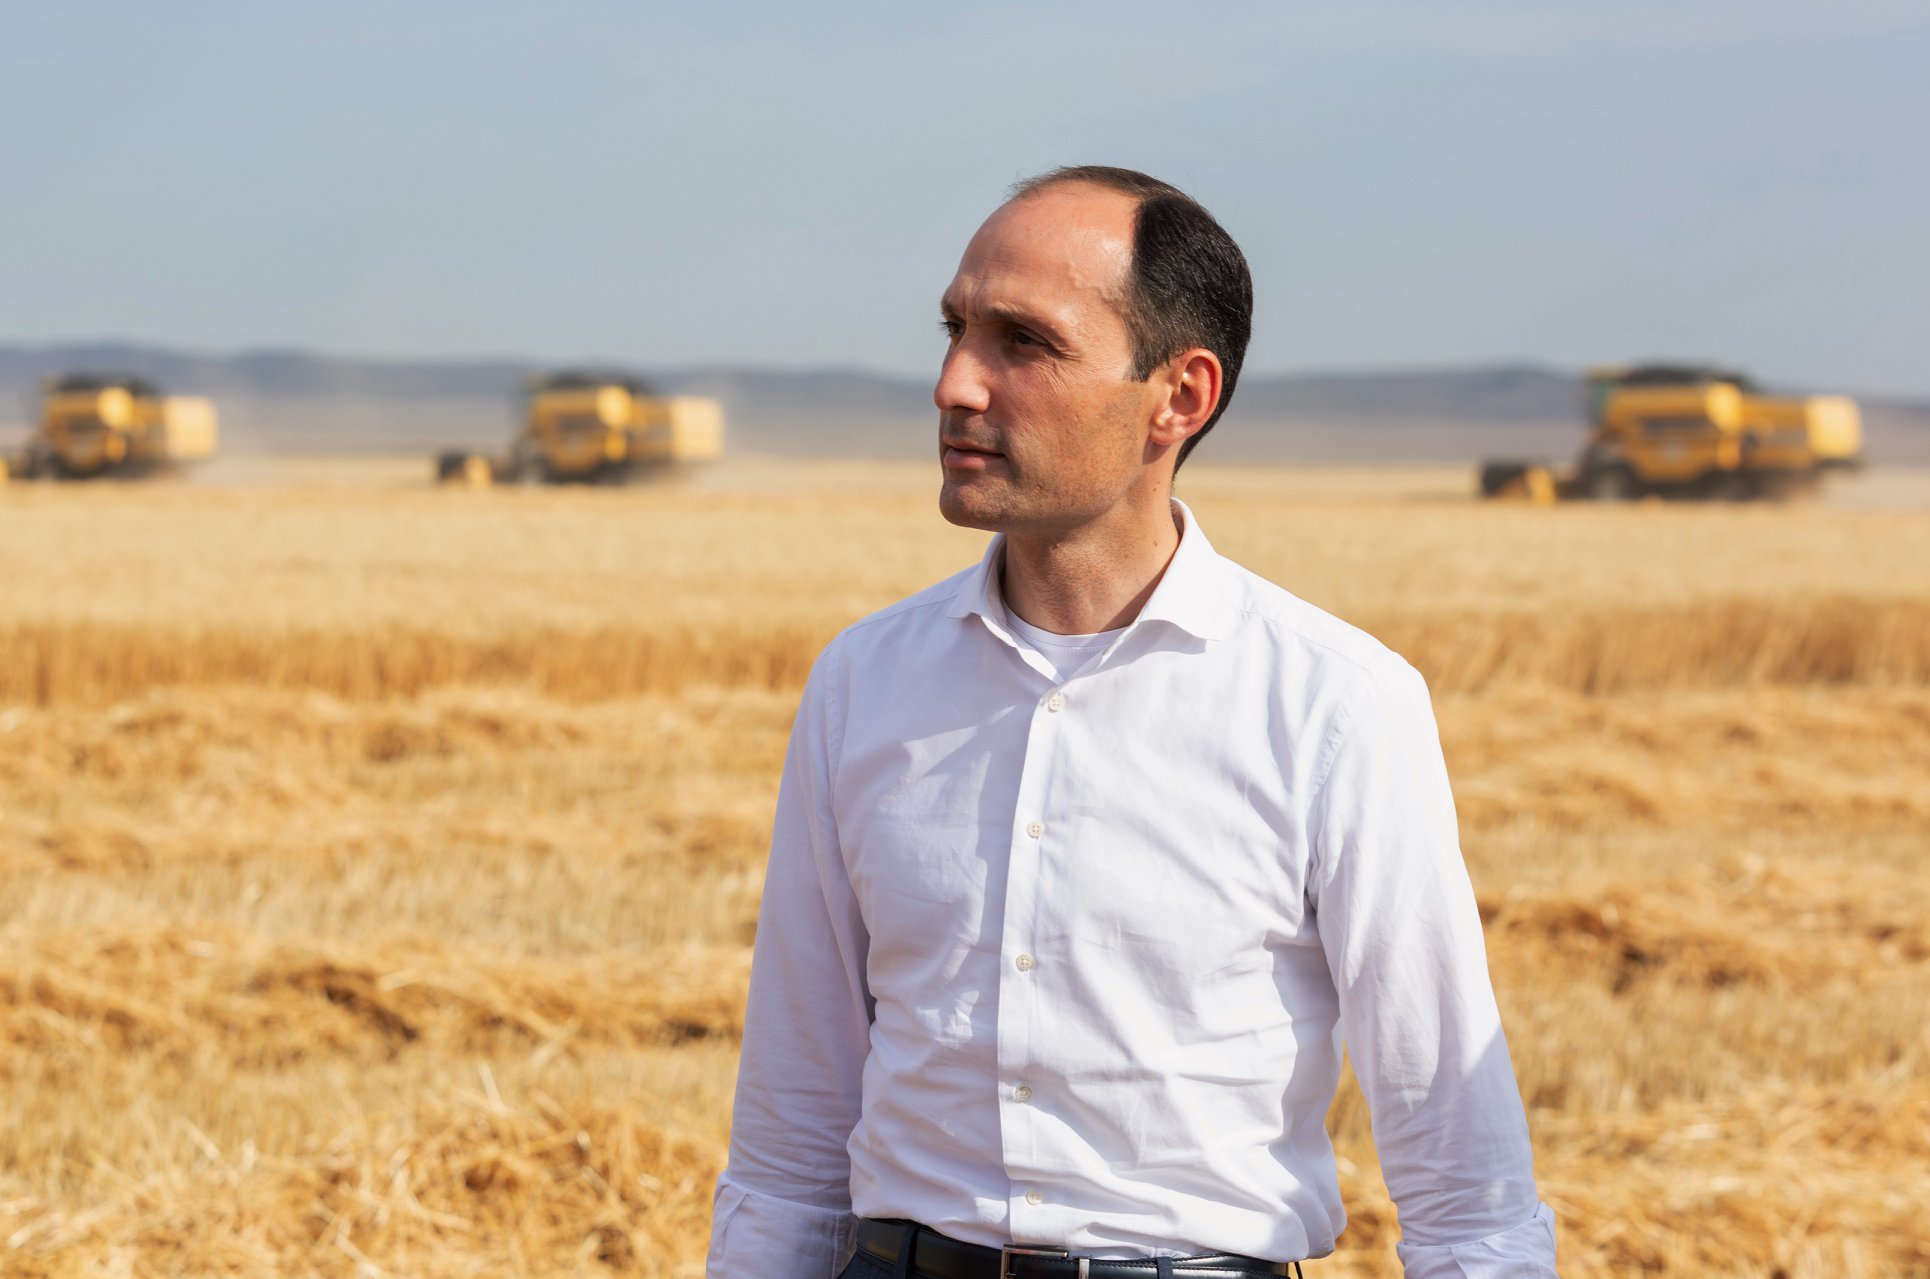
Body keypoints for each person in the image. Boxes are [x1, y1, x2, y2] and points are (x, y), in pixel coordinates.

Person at [707, 166, 1558, 1279]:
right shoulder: (863, 683)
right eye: (957, 330)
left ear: (1179, 396)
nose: (955, 383)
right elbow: (793, 1130)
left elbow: (1462, 1174)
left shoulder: (1335, 705)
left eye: (1024, 342)